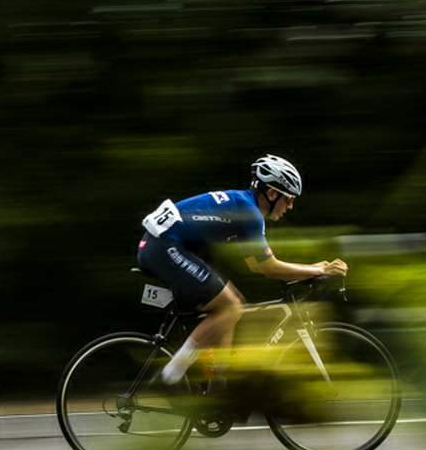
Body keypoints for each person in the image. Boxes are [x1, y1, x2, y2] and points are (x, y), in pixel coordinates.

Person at [135, 155, 348, 388]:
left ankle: (220, 383)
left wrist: (311, 270)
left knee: (233, 303)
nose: (290, 206)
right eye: (288, 199)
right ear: (272, 193)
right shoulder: (251, 213)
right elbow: (268, 267)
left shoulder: (244, 205)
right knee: (231, 306)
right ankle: (169, 377)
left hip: (164, 245)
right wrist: (318, 269)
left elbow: (255, 264)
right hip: (164, 247)